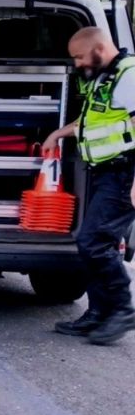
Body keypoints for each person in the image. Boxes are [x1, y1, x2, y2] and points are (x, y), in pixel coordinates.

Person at [44, 27, 135, 345]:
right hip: (104, 172)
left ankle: (123, 309)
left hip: (124, 174)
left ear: (98, 49)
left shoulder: (129, 75)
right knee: (95, 242)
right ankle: (99, 313)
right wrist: (59, 134)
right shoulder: (103, 76)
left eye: (80, 56)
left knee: (93, 242)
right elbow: (93, 121)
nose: (78, 63)